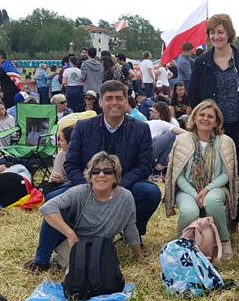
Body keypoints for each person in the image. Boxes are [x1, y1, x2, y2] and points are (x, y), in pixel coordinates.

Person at [26, 80, 159, 272]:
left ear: (126, 101)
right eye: (109, 98)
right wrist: (90, 186)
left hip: (122, 185)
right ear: (101, 102)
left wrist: (118, 185)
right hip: (86, 183)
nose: (114, 103)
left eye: (119, 98)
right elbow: (70, 164)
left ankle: (134, 234)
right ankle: (42, 259)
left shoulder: (140, 128)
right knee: (54, 200)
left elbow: (144, 166)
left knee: (151, 192)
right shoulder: (83, 127)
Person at [188, 14, 239, 224]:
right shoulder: (201, 62)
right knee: (209, 171)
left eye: (220, 32)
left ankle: (232, 217)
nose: (216, 36)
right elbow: (194, 96)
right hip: (211, 127)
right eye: (212, 32)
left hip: (238, 126)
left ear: (229, 34)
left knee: (234, 172)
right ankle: (207, 216)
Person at [30, 151, 142, 267]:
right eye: (95, 171)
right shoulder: (80, 191)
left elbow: (130, 227)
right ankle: (40, 263)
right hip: (72, 240)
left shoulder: (126, 197)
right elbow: (46, 208)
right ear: (90, 177)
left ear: (116, 177)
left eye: (107, 172)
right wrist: (70, 234)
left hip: (98, 246)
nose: (101, 175)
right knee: (55, 212)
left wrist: (138, 254)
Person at [164, 99, 238, 257]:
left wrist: (207, 189)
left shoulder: (226, 141)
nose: (205, 119)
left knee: (212, 202)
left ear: (217, 121)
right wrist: (194, 194)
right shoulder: (182, 140)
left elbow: (227, 173)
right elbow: (178, 175)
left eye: (210, 116)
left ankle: (223, 241)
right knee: (189, 212)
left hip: (216, 187)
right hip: (188, 189)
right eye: (202, 115)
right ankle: (182, 244)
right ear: (194, 117)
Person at [148, 101, 185, 172]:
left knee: (171, 135)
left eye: (152, 111)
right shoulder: (157, 122)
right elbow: (185, 133)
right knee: (171, 135)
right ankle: (159, 165)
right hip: (145, 154)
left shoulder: (162, 123)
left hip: (138, 154)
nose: (150, 112)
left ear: (158, 114)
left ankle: (159, 165)